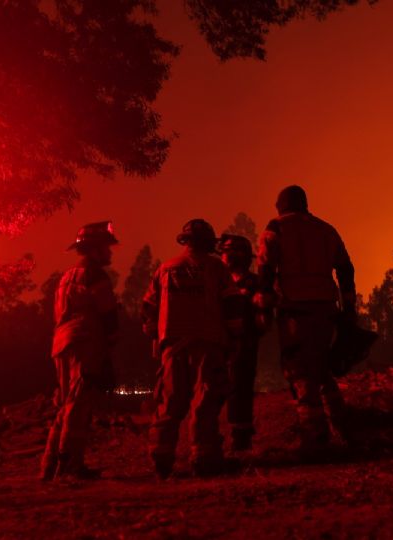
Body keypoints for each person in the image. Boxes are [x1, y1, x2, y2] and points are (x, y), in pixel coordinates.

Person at [255, 185, 356, 458]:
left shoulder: (275, 228)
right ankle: (343, 427)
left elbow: (265, 266)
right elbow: (346, 268)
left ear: (280, 205)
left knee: (299, 369)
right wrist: (349, 307)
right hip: (325, 307)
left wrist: (263, 303)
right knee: (321, 365)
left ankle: (314, 437)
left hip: (294, 308)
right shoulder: (326, 229)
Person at [142, 219, 231, 478]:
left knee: (170, 401)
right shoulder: (216, 267)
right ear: (207, 243)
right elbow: (232, 305)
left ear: (185, 241)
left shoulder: (165, 269)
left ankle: (161, 457)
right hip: (208, 343)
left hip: (173, 346)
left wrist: (156, 338)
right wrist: (234, 338)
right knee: (204, 402)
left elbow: (148, 309)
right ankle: (204, 459)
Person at [41, 221, 119, 481]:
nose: (109, 253)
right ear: (95, 250)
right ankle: (69, 466)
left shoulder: (65, 276)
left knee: (66, 404)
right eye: (106, 248)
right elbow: (108, 313)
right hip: (85, 342)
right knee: (79, 404)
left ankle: (49, 466)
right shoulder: (95, 274)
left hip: (61, 343)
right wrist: (111, 344)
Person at [218, 234, 266, 452]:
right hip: (218, 344)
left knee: (240, 388)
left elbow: (263, 320)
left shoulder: (253, 284)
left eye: (226, 255)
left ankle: (240, 436)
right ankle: (210, 436)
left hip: (243, 346)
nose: (223, 259)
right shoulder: (218, 283)